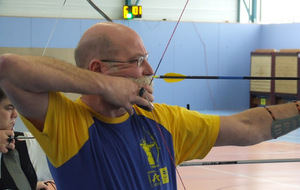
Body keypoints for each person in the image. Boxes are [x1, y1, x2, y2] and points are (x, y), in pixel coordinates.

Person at [0, 22, 299, 189]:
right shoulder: (70, 123)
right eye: (138, 60)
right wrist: (107, 87)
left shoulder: (162, 120)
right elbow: (9, 68)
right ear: (98, 69)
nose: (149, 69)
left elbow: (248, 126)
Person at [0, 88, 56, 190]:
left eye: (15, 107)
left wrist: (32, 186)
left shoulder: (21, 142)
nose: (15, 114)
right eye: (9, 108)